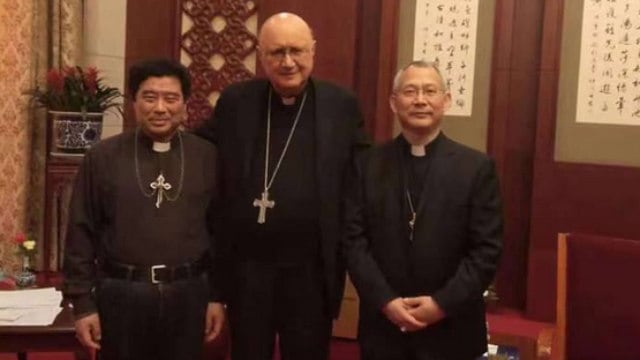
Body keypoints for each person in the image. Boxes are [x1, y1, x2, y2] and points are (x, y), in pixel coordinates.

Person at [195, 12, 369, 360]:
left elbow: (363, 177)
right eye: (276, 53)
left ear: (312, 52)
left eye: (296, 51)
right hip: (247, 271)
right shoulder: (236, 102)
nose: (287, 62)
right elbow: (197, 150)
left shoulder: (342, 106)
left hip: (311, 273)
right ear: (261, 56)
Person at [63, 58, 225, 360]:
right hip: (121, 296)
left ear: (185, 104)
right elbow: (80, 234)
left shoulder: (208, 157)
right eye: (149, 97)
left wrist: (217, 296)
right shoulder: (102, 158)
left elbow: (220, 232)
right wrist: (83, 305)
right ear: (134, 103)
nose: (160, 108)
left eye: (171, 98)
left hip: (189, 296)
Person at [343, 60, 503, 360]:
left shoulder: (476, 168)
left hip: (453, 329)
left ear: (447, 100)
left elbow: (486, 252)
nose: (420, 100)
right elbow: (354, 242)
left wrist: (440, 305)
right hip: (383, 327)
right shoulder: (367, 165)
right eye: (410, 91)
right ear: (393, 102)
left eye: (430, 91)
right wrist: (386, 301)